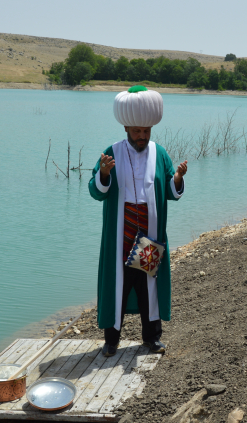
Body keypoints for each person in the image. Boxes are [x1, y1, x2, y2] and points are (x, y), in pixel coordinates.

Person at [89, 85, 188, 357]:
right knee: (117, 286)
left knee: (148, 285)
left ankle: (152, 338)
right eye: (137, 132)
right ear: (126, 129)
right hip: (121, 233)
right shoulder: (111, 152)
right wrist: (105, 174)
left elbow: (170, 190)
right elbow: (95, 191)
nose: (142, 137)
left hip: (149, 231)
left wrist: (177, 180)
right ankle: (111, 340)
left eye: (146, 132)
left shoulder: (160, 153)